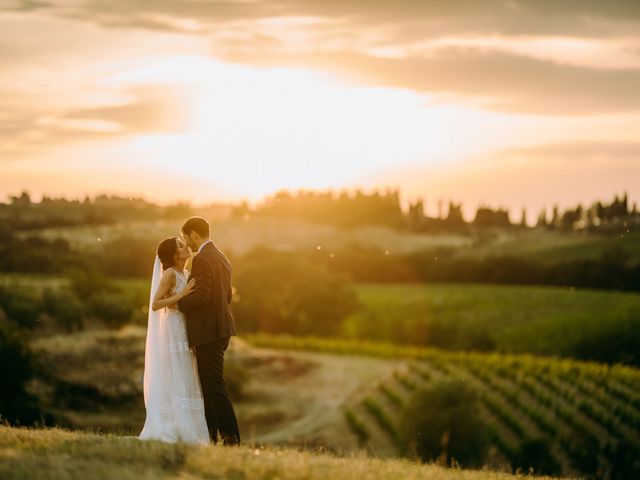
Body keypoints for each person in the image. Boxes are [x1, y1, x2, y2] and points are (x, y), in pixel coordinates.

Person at [139, 237, 210, 444]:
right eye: (180, 245)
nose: (186, 246)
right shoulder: (170, 274)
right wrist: (182, 294)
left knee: (187, 373)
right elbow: (156, 304)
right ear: (173, 255)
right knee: (176, 372)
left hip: (186, 330)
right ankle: (174, 423)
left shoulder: (186, 274)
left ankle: (191, 425)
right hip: (173, 330)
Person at [179, 216, 240, 445]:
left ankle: (230, 436)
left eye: (187, 237)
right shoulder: (222, 257)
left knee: (214, 385)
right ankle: (212, 436)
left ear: (195, 234)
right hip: (220, 328)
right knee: (208, 384)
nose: (188, 243)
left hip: (209, 332)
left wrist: (178, 304)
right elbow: (227, 296)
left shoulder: (202, 258)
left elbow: (202, 296)